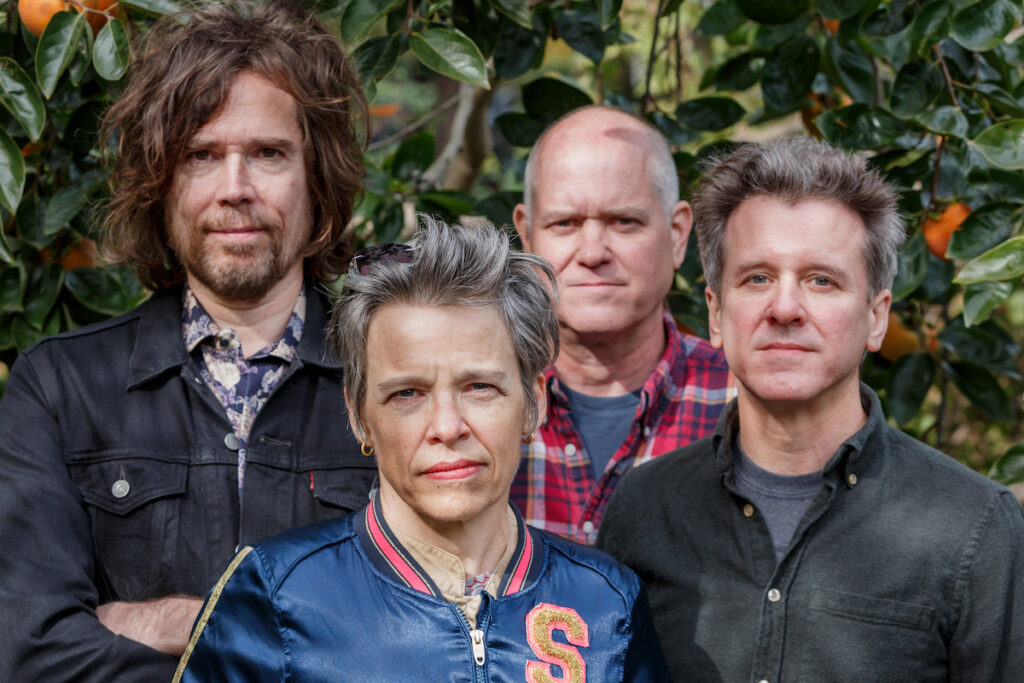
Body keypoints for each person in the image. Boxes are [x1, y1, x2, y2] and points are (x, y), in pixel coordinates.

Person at [0, 3, 376, 679]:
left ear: (317, 178)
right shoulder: (57, 388)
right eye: (201, 156)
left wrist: (149, 620)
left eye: (268, 153)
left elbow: (433, 636)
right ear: (160, 183)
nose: (235, 190)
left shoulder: (391, 384)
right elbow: (31, 652)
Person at [598, 137, 1024, 681]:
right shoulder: (644, 510)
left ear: (876, 318)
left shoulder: (974, 528)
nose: (785, 308)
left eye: (821, 280)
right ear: (715, 313)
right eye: (757, 278)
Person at [174, 219, 669, 681]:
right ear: (360, 415)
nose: (447, 427)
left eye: (479, 386)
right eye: (407, 394)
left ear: (532, 403)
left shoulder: (607, 601)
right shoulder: (277, 592)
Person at [511, 106, 734, 544]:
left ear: (677, 234)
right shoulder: (471, 405)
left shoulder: (745, 403)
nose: (593, 252)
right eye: (565, 224)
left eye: (624, 222)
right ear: (527, 236)